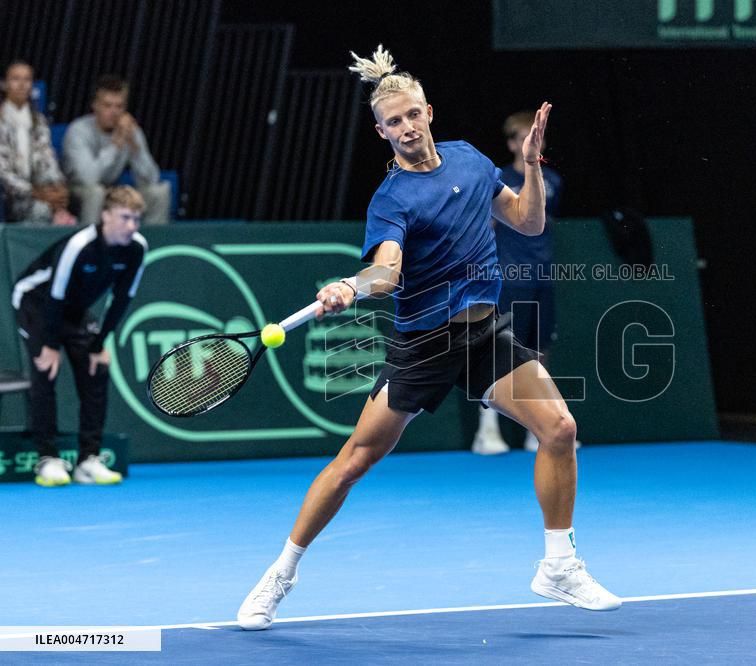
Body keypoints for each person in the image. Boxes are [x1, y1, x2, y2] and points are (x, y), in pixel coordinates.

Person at [237, 45, 620, 631]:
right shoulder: (391, 199)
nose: (406, 127)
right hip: (424, 345)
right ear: (381, 132)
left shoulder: (469, 159)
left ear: (429, 112)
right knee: (355, 461)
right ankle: (280, 574)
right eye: (394, 122)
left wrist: (534, 164)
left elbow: (528, 220)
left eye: (413, 114)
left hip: (485, 334)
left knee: (561, 428)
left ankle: (559, 565)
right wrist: (353, 284)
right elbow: (387, 271)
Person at [11, 186, 147, 487]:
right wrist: (48, 344)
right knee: (45, 372)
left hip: (74, 310)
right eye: (125, 218)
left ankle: (89, 460)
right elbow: (55, 297)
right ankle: (47, 459)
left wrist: (99, 345)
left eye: (136, 219)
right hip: (36, 303)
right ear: (106, 215)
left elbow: (122, 299)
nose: (132, 226)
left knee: (96, 369)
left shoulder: (137, 248)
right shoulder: (80, 245)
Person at [472, 110, 566, 455]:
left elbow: (544, 224)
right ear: (513, 143)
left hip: (542, 277)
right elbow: (487, 229)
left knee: (540, 351)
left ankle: (538, 431)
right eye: (526, 136)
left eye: (537, 135)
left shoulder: (552, 180)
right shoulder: (498, 180)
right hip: (508, 278)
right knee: (504, 351)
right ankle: (487, 431)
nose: (533, 141)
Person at [62, 75, 170, 226]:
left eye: (119, 106)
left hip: (112, 191)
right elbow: (89, 178)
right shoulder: (78, 130)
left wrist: (134, 146)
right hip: (77, 192)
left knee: (159, 192)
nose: (114, 112)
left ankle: (153, 245)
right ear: (95, 106)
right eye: (108, 105)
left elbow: (152, 178)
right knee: (96, 192)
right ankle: (89, 244)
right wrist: (116, 144)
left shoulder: (129, 131)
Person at [0, 60, 77, 226]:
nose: (22, 85)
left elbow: (47, 158)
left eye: (27, 79)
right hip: (10, 195)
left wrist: (58, 188)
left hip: (38, 188)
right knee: (42, 210)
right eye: (15, 79)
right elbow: (3, 174)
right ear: (5, 84)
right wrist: (35, 193)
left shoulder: (38, 121)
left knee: (66, 201)